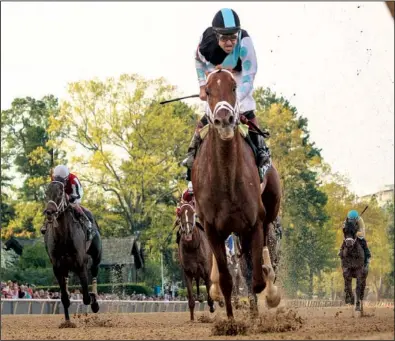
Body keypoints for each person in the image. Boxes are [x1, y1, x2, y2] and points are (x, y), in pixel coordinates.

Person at [181, 8, 271, 181]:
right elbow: (198, 61)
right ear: (216, 36)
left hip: (238, 76)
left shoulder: (245, 44)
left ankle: (261, 152)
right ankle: (192, 153)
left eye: (233, 37)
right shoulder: (205, 42)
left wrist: (233, 99)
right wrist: (202, 86)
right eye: (224, 38)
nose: (229, 43)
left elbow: (249, 78)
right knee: (213, 111)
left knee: (244, 107)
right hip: (214, 74)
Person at [41, 165, 93, 241]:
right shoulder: (54, 178)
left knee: (75, 206)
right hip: (61, 194)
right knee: (51, 206)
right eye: (57, 179)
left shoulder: (74, 180)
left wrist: (69, 198)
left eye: (62, 181)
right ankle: (46, 223)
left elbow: (78, 195)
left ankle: (88, 224)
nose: (59, 182)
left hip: (74, 194)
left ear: (66, 178)